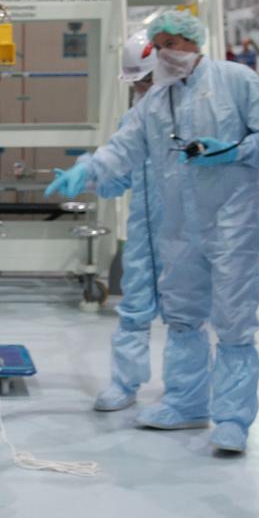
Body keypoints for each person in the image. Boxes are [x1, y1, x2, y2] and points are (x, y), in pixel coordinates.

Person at [45, 10, 259, 453]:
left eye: (173, 43)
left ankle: (233, 419)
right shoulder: (156, 102)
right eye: (159, 46)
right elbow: (122, 149)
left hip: (231, 224)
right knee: (182, 318)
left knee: (233, 322)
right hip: (179, 228)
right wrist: (86, 170)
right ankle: (186, 403)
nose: (165, 54)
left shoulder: (236, 80)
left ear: (195, 41)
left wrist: (233, 151)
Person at [92, 30, 166, 412]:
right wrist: (97, 177)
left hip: (186, 231)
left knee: (187, 317)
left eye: (147, 81)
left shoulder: (192, 112)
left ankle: (186, 395)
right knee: (134, 306)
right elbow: (120, 173)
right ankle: (125, 383)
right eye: (136, 83)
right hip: (143, 228)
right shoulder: (132, 119)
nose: (142, 89)